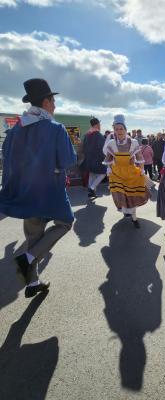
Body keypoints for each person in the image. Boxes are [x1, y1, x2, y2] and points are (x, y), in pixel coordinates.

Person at [0, 78, 76, 297]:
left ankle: (32, 282)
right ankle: (28, 258)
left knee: (34, 235)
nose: (55, 105)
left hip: (26, 190)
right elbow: (67, 160)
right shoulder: (55, 128)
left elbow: (8, 158)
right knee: (65, 222)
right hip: (50, 191)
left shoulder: (15, 130)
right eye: (53, 101)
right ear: (45, 101)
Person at [104, 115, 150, 228]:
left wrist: (142, 170)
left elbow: (139, 158)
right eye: (117, 129)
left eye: (121, 129)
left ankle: (134, 218)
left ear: (125, 130)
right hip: (117, 174)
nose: (119, 131)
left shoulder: (133, 142)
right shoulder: (111, 143)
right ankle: (126, 211)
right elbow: (109, 159)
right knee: (121, 195)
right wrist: (108, 169)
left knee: (132, 195)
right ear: (114, 130)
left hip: (130, 172)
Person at [81, 117, 107, 198]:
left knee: (92, 174)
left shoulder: (87, 134)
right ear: (96, 124)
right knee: (103, 173)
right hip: (98, 159)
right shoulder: (99, 135)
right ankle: (92, 188)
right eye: (99, 124)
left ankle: (91, 192)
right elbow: (103, 148)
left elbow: (83, 147)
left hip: (89, 159)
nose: (100, 125)